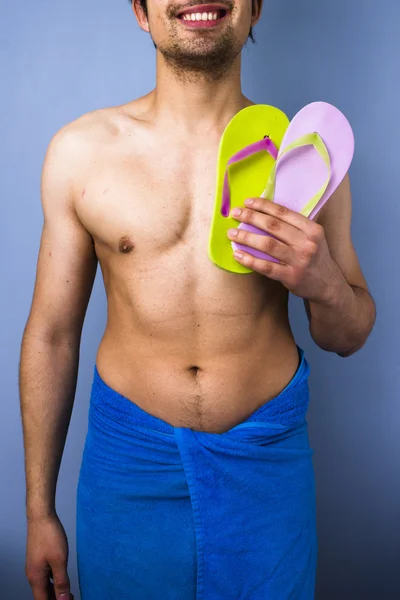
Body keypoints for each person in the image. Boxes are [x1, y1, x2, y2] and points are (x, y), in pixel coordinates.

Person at [19, 0, 376, 598]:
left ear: (255, 9)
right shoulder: (81, 153)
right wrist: (38, 511)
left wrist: (323, 283)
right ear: (140, 11)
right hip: (127, 466)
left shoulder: (309, 159)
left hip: (266, 463)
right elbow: (52, 335)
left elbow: (349, 335)